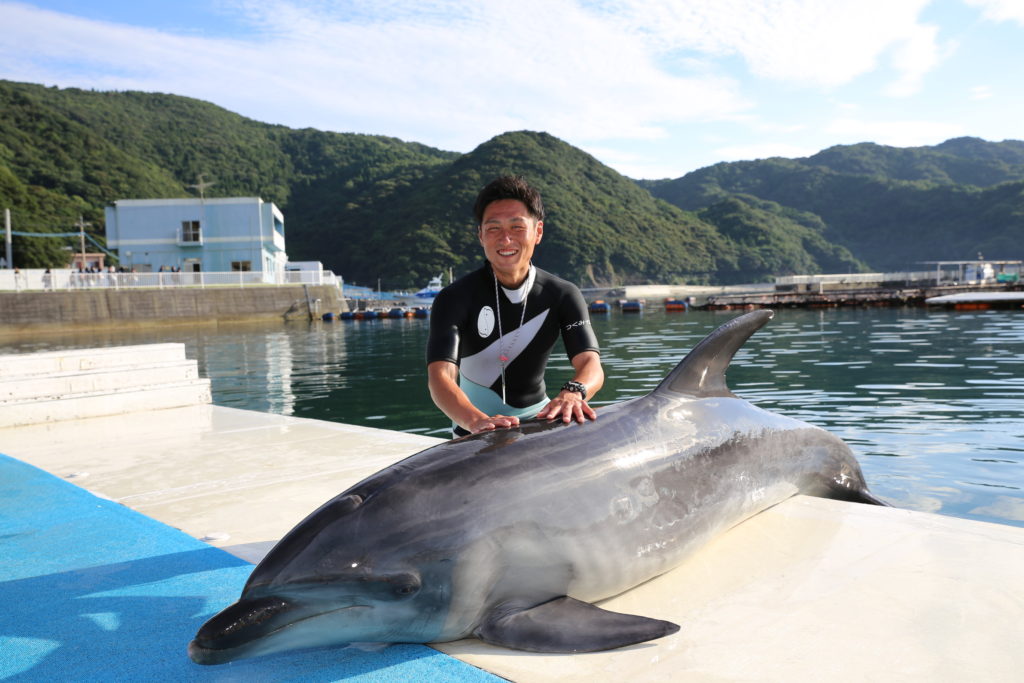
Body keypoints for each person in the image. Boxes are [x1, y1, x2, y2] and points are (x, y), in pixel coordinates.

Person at [427, 175, 604, 436]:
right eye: (494, 228)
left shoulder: (562, 294)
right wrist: (476, 421)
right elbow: (440, 377)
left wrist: (574, 391)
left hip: (541, 422)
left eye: (517, 228)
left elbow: (591, 362)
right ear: (481, 236)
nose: (506, 239)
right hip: (474, 431)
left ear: (538, 232)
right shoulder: (454, 297)